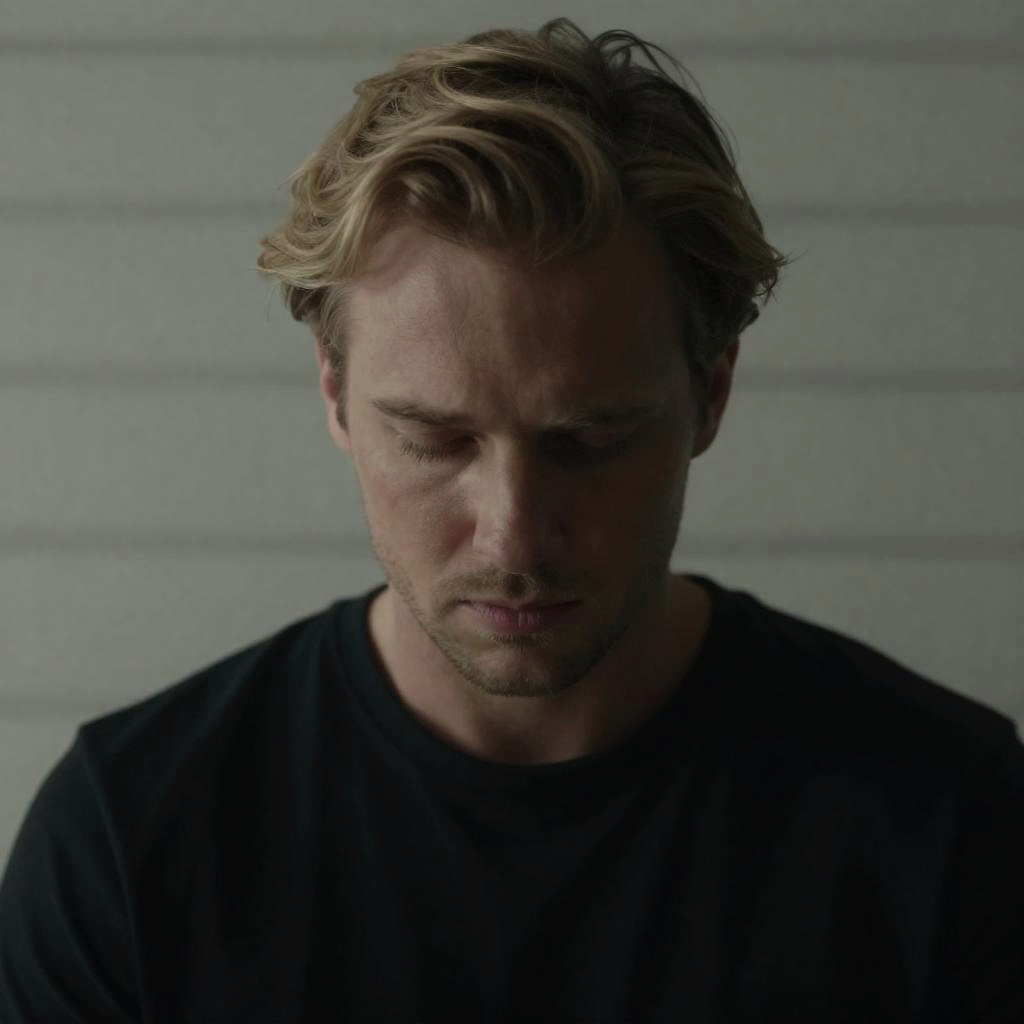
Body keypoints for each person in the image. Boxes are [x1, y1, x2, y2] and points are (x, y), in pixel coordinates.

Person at [1, 17, 1021, 1023]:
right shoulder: (130, 839)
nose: (514, 540)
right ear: (335, 393)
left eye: (590, 440)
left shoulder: (952, 818)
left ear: (710, 395)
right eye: (435, 440)